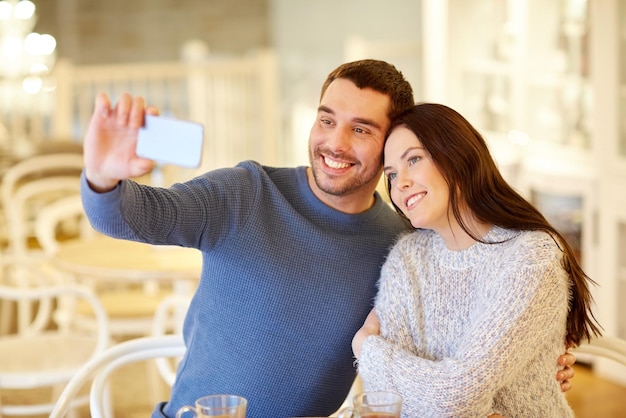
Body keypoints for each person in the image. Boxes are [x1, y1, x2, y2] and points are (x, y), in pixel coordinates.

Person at [80, 60, 576, 418]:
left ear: (390, 143)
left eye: (361, 129)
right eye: (326, 119)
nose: (335, 143)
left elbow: (460, 329)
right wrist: (104, 177)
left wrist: (530, 366)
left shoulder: (400, 241)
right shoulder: (246, 191)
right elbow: (140, 217)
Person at [351, 103, 602, 417]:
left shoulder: (530, 257)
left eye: (413, 159)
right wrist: (452, 398)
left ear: (456, 156)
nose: (399, 184)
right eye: (391, 174)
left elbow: (457, 396)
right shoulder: (406, 258)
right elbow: (386, 399)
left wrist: (367, 349)